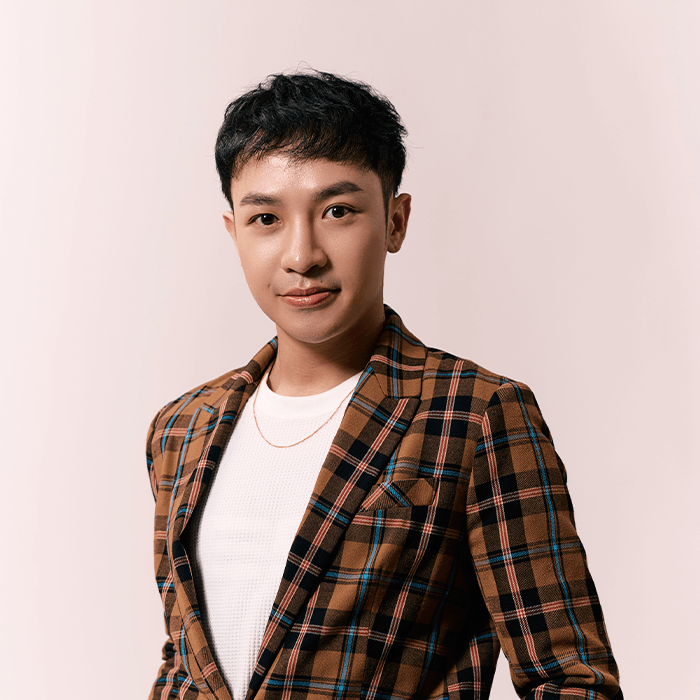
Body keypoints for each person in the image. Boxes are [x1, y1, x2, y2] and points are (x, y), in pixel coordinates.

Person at [146, 69, 622, 700]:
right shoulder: (182, 428)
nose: (302, 255)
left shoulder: (476, 414)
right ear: (234, 233)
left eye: (337, 211)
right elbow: (185, 659)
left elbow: (571, 679)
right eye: (266, 218)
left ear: (396, 221)